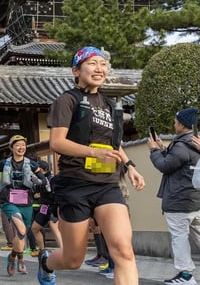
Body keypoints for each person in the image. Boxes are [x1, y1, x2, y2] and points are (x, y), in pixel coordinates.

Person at [38, 46, 145, 285]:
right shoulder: (67, 100)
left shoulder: (109, 105)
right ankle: (46, 262)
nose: (99, 68)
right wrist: (92, 152)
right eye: (92, 63)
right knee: (73, 259)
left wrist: (130, 166)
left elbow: (115, 144)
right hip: (75, 184)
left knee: (124, 251)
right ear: (76, 70)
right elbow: (57, 142)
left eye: (103, 64)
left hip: (107, 185)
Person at [149, 107, 200, 285]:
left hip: (179, 201)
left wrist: (153, 151)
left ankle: (186, 275)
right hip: (196, 200)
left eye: (175, 121)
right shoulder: (198, 142)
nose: (174, 124)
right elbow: (179, 161)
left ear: (181, 124)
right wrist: (162, 148)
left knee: (179, 237)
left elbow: (165, 166)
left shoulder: (181, 145)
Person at [0, 135, 43, 276]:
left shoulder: (31, 164)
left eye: (23, 145)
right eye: (18, 145)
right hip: (8, 200)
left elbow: (42, 176)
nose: (21, 148)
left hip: (26, 201)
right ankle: (21, 260)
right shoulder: (4, 163)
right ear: (11, 147)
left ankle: (13, 256)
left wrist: (42, 183)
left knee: (22, 233)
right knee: (20, 229)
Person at [29, 161, 62, 257]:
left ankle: (63, 250)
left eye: (38, 169)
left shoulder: (51, 179)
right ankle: (42, 250)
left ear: (43, 170)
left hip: (53, 206)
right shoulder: (38, 179)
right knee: (35, 228)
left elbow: (56, 194)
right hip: (44, 207)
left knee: (54, 226)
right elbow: (35, 192)